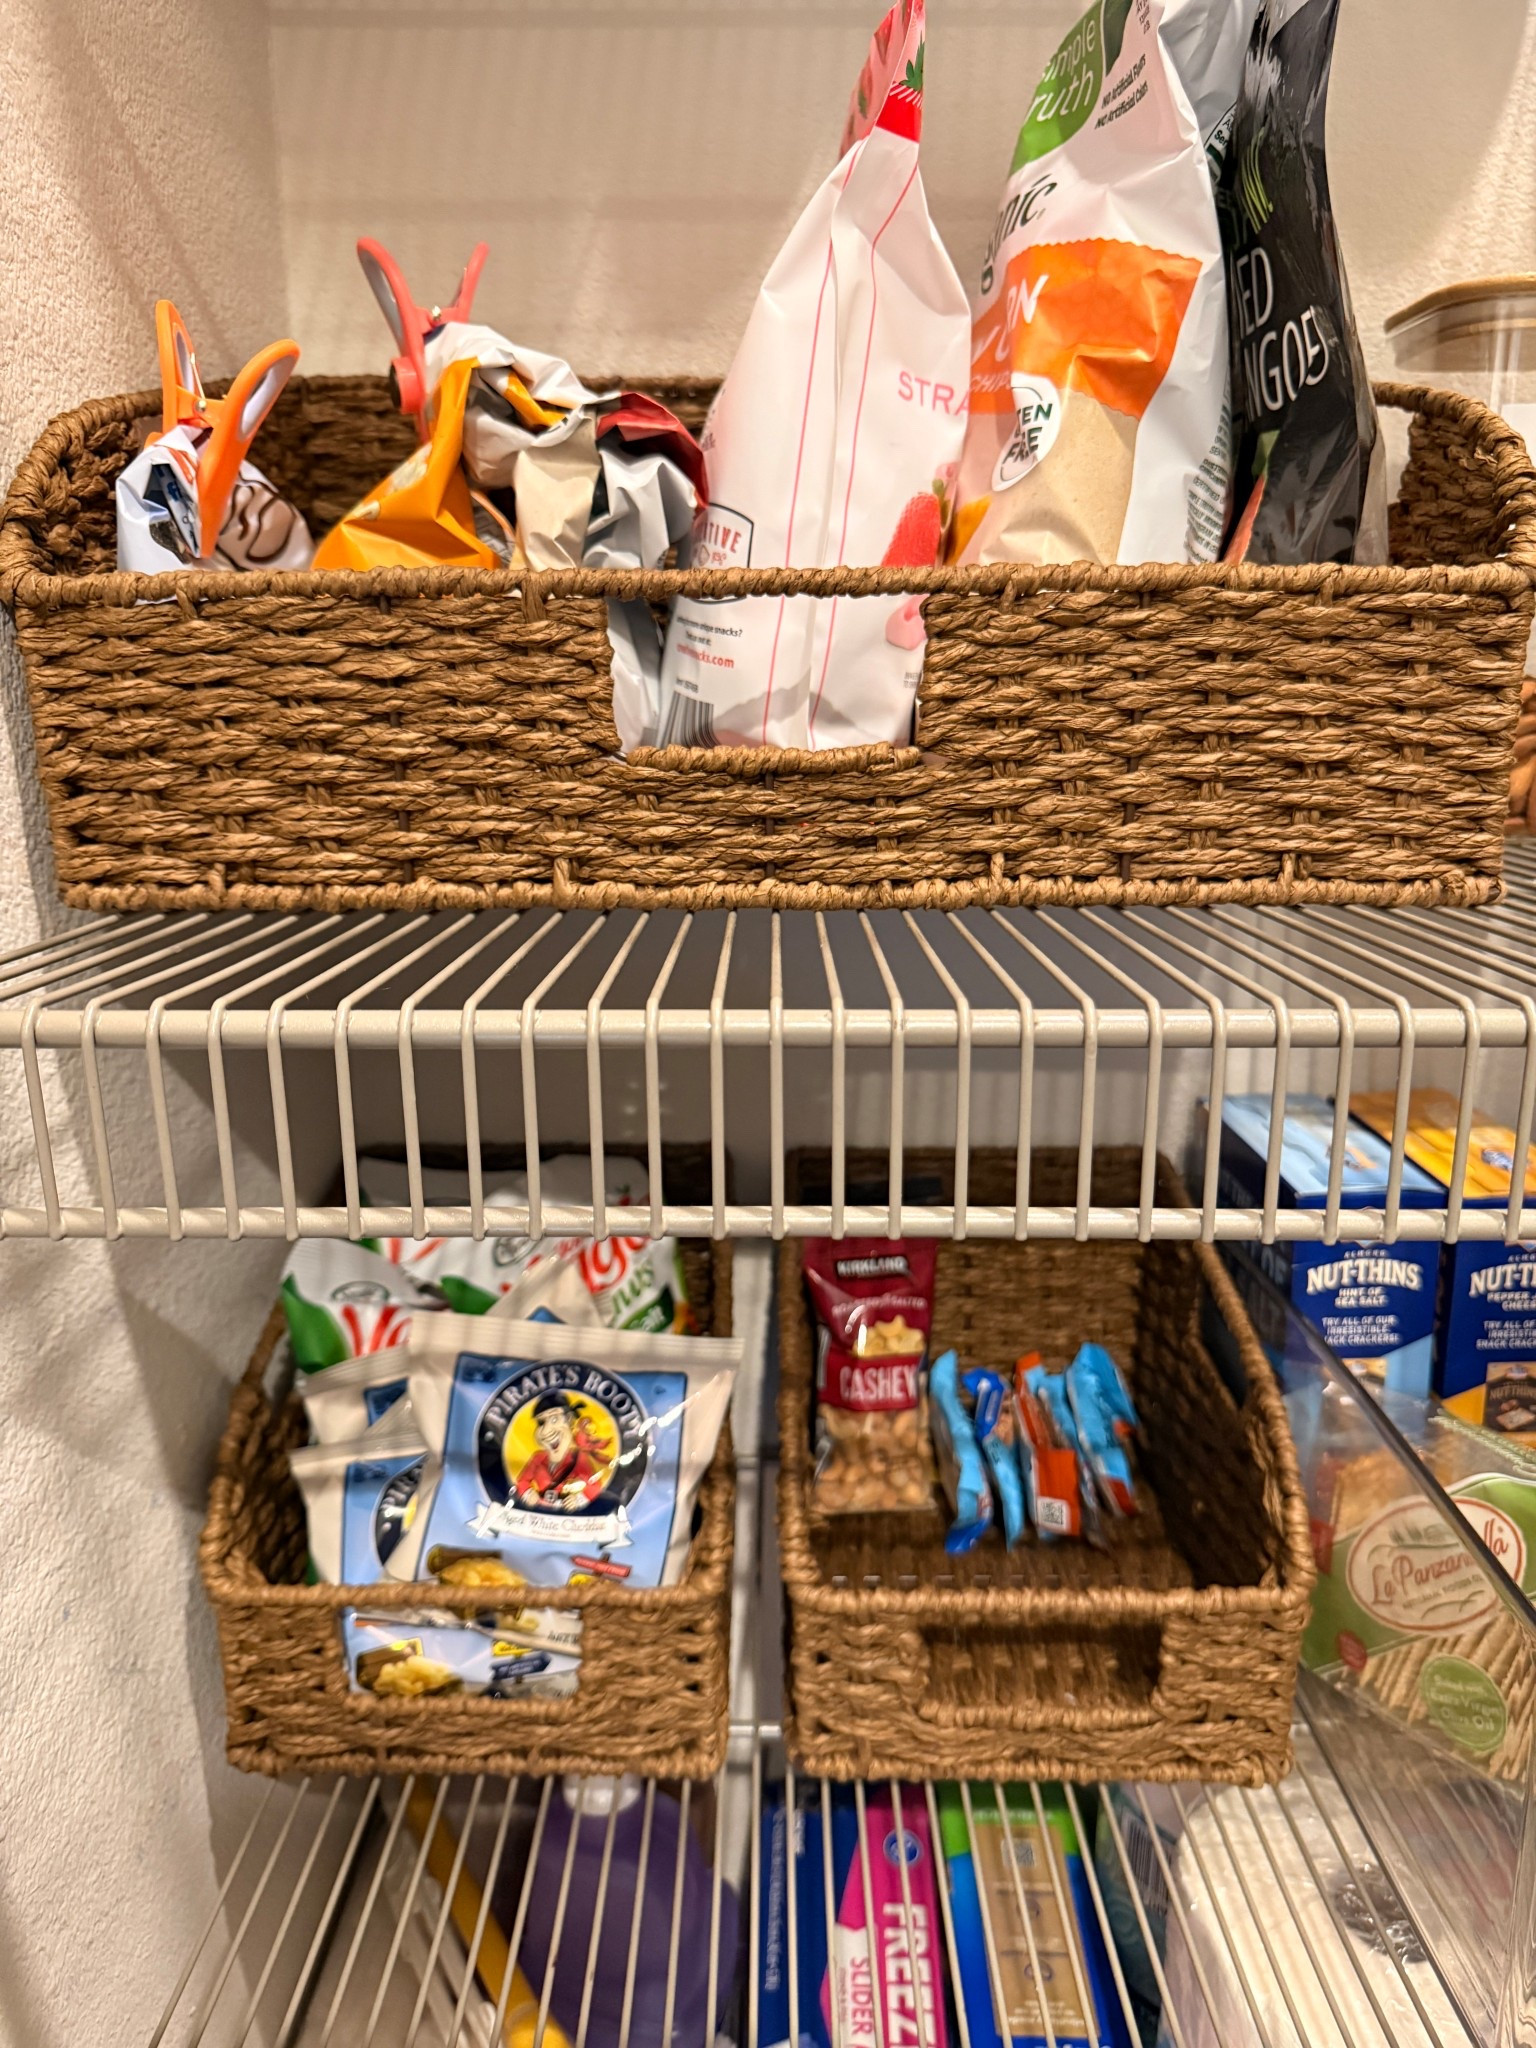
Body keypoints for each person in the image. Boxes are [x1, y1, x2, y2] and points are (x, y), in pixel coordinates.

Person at [512, 1390, 613, 1510]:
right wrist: (528, 1493)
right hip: (539, 1514)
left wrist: (577, 1499)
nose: (546, 1431)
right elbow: (522, 1481)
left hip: (565, 1518)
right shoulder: (537, 1458)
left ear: (569, 1419)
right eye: (541, 1423)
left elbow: (595, 1486)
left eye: (554, 1419)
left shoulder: (578, 1458)